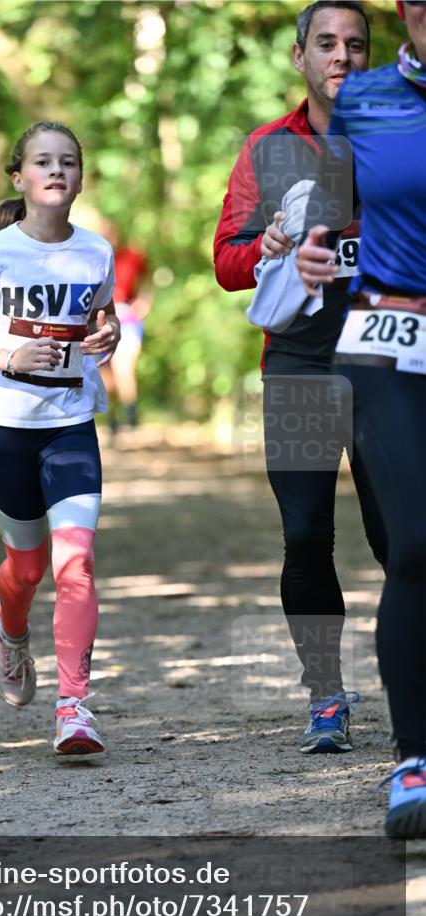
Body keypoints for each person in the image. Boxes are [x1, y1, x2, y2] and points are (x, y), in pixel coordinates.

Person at [213, 0, 387, 755]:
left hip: (387, 360)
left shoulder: (399, 137)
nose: (340, 56)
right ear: (298, 57)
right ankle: (325, 696)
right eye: (325, 43)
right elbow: (225, 263)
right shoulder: (265, 149)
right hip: (301, 366)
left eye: (354, 44)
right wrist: (270, 246)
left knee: (403, 542)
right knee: (306, 537)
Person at [0, 122, 120, 754]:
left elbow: (100, 317)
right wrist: (6, 359)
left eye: (69, 161)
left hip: (70, 424)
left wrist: (108, 332)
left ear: (80, 177)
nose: (57, 171)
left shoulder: (95, 251)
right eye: (43, 162)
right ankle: (9, 628)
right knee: (28, 567)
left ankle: (73, 707)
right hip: (5, 430)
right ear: (20, 177)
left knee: (77, 564)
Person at [296, 0, 426, 837]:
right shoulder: (367, 98)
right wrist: (311, 243)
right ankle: (414, 761)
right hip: (387, 336)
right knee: (414, 542)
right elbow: (334, 211)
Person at [99, 220, 151, 434]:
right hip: (101, 320)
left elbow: (148, 281)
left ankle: (131, 414)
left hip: (128, 319)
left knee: (124, 365)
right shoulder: (93, 259)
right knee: (106, 371)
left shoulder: (133, 256)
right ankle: (113, 416)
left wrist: (144, 303)